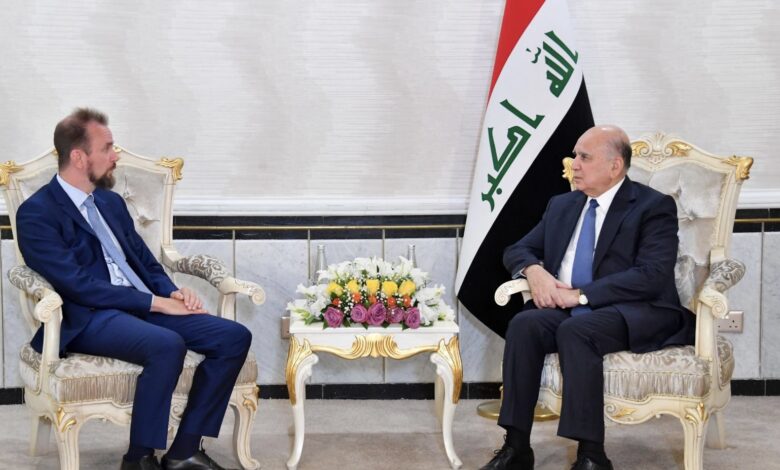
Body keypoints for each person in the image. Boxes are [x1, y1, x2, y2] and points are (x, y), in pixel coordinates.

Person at [16, 108, 251, 470]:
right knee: (167, 344)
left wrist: (171, 292)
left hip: (142, 306)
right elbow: (78, 285)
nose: (115, 156)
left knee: (233, 337)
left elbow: (144, 261)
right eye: (107, 148)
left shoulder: (110, 202)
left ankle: (184, 451)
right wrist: (156, 303)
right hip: (90, 316)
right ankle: (138, 458)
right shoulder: (37, 213)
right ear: (79, 157)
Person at [480, 125, 695, 470]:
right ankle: (516, 448)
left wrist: (581, 296)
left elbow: (652, 275)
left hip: (633, 309)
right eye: (575, 156)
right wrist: (534, 272)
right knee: (524, 324)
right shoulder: (563, 204)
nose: (574, 164)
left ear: (615, 166)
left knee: (576, 331)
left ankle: (592, 455)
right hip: (572, 308)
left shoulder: (652, 206)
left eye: (584, 157)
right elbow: (517, 249)